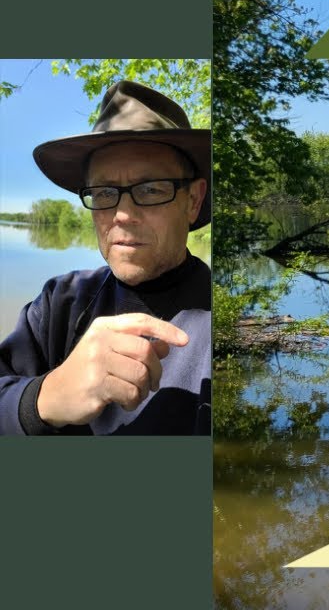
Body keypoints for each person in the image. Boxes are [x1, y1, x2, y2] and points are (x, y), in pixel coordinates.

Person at [0, 80, 211, 435]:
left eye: (150, 189)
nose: (122, 214)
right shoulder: (61, 301)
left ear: (192, 200)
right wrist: (43, 399)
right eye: (104, 192)